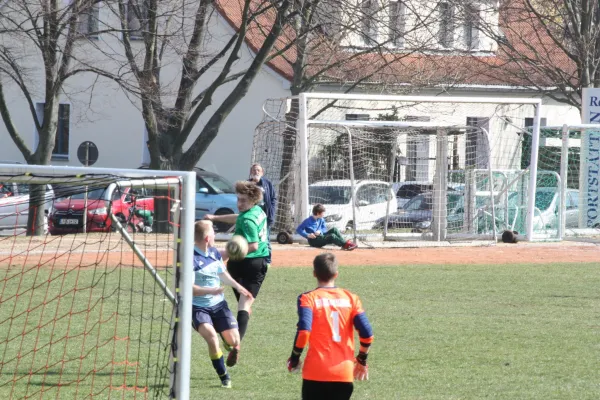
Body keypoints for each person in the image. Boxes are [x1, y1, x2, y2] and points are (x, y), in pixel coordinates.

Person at [287, 253, 373, 400]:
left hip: (315, 372)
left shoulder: (308, 298)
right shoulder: (351, 298)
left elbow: (304, 331)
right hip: (343, 374)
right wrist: (361, 359)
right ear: (336, 274)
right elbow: (367, 333)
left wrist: (294, 358)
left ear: (314, 273)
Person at [204, 181, 269, 367]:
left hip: (241, 262)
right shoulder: (257, 211)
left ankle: (232, 337)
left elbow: (252, 243)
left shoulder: (246, 219)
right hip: (255, 264)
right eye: (238, 199)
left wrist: (228, 253)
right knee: (244, 305)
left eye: (243, 200)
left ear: (252, 199)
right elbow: (239, 219)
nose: (239, 204)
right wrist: (215, 218)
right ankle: (236, 343)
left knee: (243, 303)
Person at [192, 220, 253, 389]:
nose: (215, 235)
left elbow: (222, 274)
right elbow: (189, 289)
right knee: (211, 337)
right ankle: (224, 376)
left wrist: (239, 287)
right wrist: (211, 291)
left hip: (219, 305)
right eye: (213, 232)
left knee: (235, 341)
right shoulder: (190, 258)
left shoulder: (213, 253)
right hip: (198, 307)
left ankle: (226, 340)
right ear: (206, 238)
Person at [248, 163, 276, 265]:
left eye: (258, 170)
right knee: (252, 239)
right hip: (252, 218)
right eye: (254, 170)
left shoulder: (267, 184)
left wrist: (271, 213)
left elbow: (273, 199)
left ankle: (267, 261)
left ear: (262, 172)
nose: (256, 172)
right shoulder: (247, 184)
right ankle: (253, 259)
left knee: (266, 240)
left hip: (265, 217)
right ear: (251, 172)